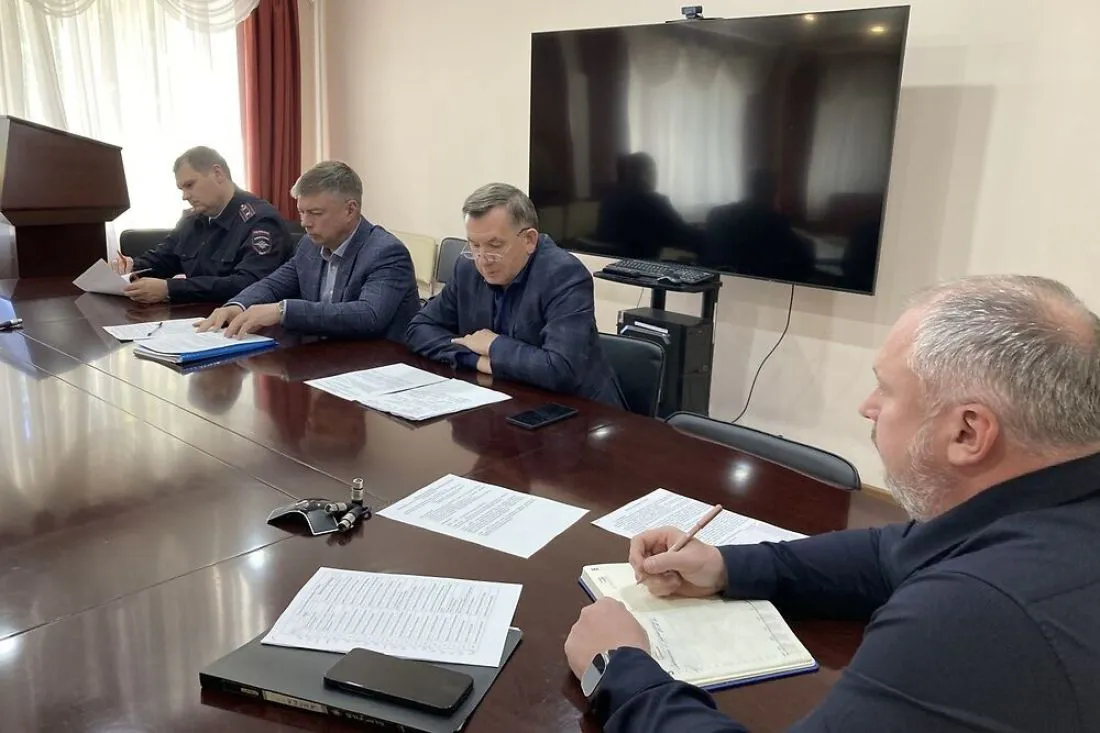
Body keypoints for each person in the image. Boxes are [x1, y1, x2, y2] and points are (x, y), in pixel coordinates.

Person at [565, 274, 1100, 732]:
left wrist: (620, 672)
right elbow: (893, 552)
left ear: (968, 432)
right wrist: (726, 567)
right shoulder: (1052, 500)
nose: (868, 407)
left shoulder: (975, 613)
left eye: (886, 390)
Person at [405, 183, 623, 408]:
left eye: (495, 245)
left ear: (529, 240)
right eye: (474, 245)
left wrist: (493, 346)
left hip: (578, 411)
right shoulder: (467, 268)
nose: (483, 259)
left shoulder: (564, 275)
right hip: (502, 399)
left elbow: (560, 369)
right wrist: (475, 359)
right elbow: (419, 329)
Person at [196, 161, 419, 340]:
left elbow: (368, 316)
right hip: (328, 358)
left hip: (380, 365)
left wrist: (283, 311)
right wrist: (237, 305)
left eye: (315, 213)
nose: (305, 223)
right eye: (302, 212)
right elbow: (273, 285)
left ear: (350, 210)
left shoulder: (386, 253)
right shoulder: (309, 245)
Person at [111, 146, 291, 304]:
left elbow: (249, 283)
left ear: (218, 174)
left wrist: (170, 289)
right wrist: (132, 266)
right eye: (182, 189)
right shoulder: (192, 219)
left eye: (190, 185)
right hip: (194, 317)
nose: (185, 196)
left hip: (241, 320)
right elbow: (164, 258)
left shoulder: (260, 221)